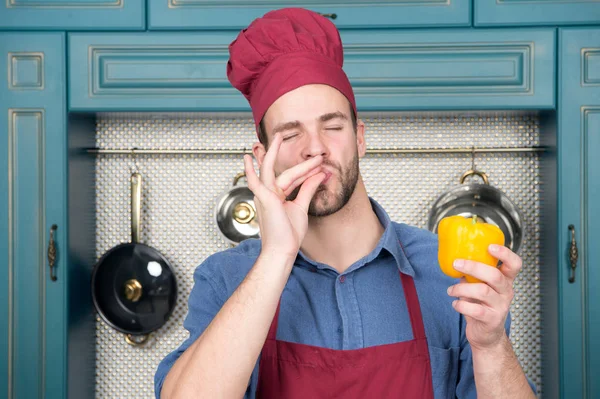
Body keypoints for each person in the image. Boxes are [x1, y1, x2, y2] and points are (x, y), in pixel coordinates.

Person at [154, 7, 537, 399]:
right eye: (290, 134)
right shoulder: (228, 278)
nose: (315, 148)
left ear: (360, 137)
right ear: (262, 156)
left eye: (332, 126)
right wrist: (276, 257)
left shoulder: (450, 271)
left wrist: (490, 346)